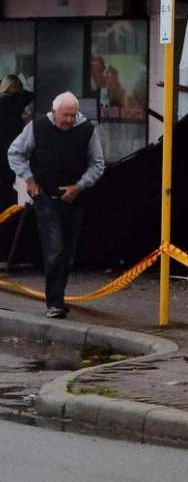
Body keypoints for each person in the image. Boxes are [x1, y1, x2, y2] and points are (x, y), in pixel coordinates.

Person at [6, 92, 105, 318]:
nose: (69, 120)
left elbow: (97, 164)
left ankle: (58, 296)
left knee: (67, 254)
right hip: (45, 197)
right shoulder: (37, 127)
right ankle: (54, 303)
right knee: (54, 250)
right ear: (54, 112)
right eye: (65, 115)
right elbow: (15, 153)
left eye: (73, 115)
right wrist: (29, 180)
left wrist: (79, 186)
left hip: (74, 199)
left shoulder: (87, 130)